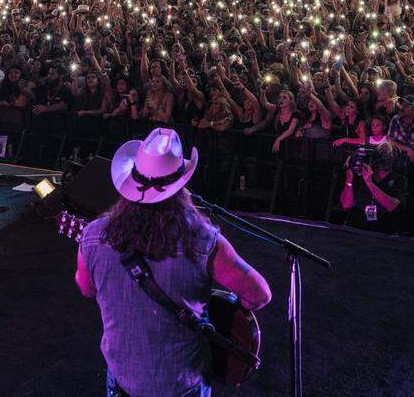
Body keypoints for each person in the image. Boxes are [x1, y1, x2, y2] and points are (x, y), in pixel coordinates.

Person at [75, 128, 271, 397]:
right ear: (181, 187)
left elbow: (86, 288)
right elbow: (259, 295)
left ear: (131, 181)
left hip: (122, 382)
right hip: (182, 384)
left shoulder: (94, 234)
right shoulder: (203, 241)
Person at [339, 140, 407, 233]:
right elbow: (346, 206)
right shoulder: (363, 173)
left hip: (383, 227)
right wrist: (350, 178)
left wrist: (369, 183)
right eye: (382, 154)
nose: (385, 158)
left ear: (395, 158)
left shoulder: (399, 179)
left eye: (388, 154)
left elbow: (392, 206)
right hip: (358, 224)